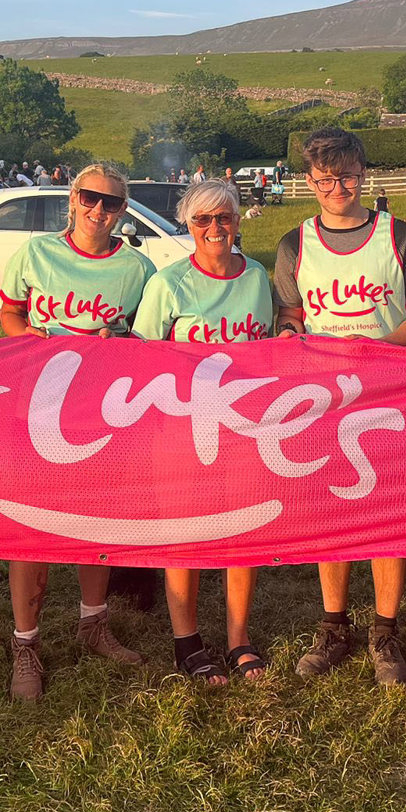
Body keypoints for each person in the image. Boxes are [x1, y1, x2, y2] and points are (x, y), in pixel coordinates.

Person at [272, 128, 406, 686]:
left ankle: (385, 630)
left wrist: (376, 353)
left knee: (388, 511)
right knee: (333, 511)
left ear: (363, 175)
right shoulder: (294, 244)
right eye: (325, 180)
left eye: (346, 177)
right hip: (325, 398)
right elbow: (291, 315)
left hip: (389, 394)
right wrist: (291, 335)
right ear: (309, 182)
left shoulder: (398, 235)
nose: (336, 189)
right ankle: (334, 626)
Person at [0, 162, 156, 700]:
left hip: (102, 411)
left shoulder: (137, 268)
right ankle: (25, 642)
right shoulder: (36, 254)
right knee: (32, 525)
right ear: (72, 198)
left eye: (111, 202)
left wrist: (123, 344)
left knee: (97, 517)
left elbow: (146, 338)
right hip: (38, 404)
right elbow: (10, 313)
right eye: (90, 197)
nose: (98, 210)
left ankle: (94, 623)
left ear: (123, 210)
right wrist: (27, 336)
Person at [132, 179, 273, 685]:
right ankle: (186, 640)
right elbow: (140, 360)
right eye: (202, 219)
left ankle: (238, 637)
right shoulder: (168, 284)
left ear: (237, 221)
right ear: (188, 225)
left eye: (224, 217)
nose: (215, 228)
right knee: (185, 532)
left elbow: (270, 350)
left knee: (243, 527)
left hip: (245, 426)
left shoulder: (257, 277)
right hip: (182, 427)